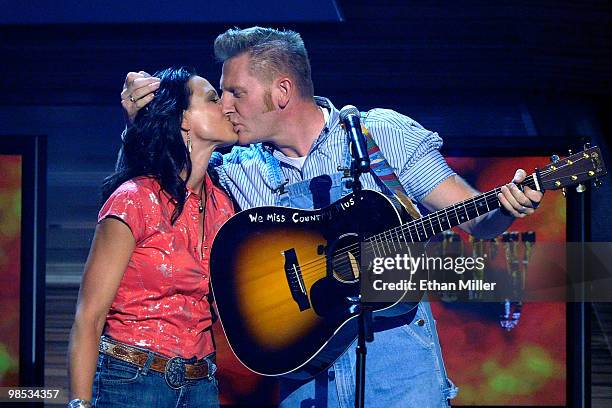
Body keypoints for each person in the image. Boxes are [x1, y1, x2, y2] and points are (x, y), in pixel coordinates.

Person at [121, 27, 543, 407]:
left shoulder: (379, 135)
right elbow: (159, 184)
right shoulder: (238, 170)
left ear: (281, 92)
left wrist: (506, 208)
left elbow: (474, 218)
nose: (225, 106)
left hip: (400, 377)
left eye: (236, 93)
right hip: (303, 379)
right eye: (220, 94)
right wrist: (141, 121)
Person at [68, 66, 237, 408]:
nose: (227, 107)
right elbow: (89, 317)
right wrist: (79, 404)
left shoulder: (224, 205)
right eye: (213, 98)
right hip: (133, 379)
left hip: (201, 384)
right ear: (183, 120)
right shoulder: (136, 198)